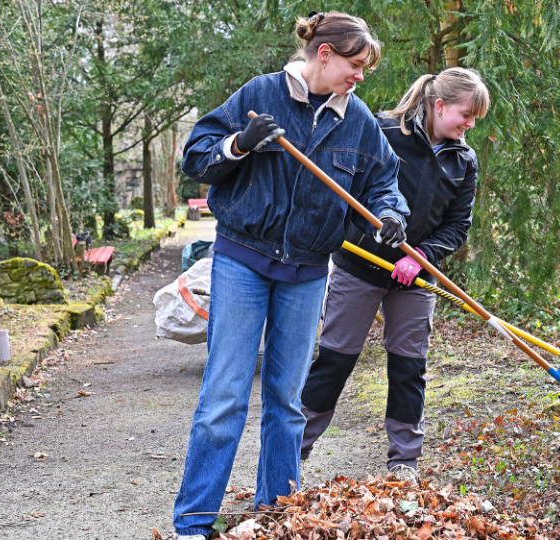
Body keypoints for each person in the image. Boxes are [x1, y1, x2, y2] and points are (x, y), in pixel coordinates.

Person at [172, 11, 409, 540]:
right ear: (323, 54)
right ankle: (193, 522)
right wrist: (241, 143)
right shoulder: (260, 93)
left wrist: (392, 214)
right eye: (354, 64)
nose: (360, 76)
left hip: (306, 272)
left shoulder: (360, 121)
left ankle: (277, 513)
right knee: (225, 396)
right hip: (243, 261)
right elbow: (197, 158)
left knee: (286, 400)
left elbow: (384, 182)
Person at [299, 67, 490, 483]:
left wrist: (420, 257)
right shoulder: (383, 132)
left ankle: (404, 462)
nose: (470, 125)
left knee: (408, 367)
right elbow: (346, 193)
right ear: (439, 106)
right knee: (334, 360)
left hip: (416, 277)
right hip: (359, 266)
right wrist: (368, 231)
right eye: (465, 115)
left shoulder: (464, 159)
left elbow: (457, 226)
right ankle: (294, 450)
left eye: (475, 119)